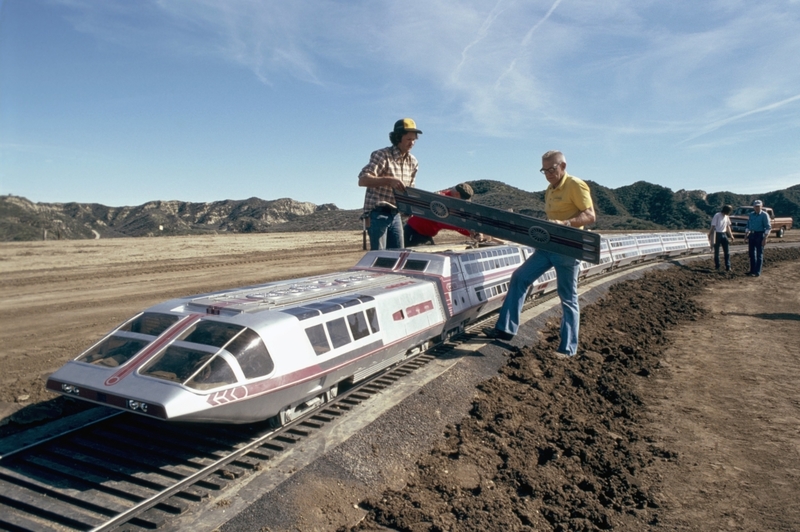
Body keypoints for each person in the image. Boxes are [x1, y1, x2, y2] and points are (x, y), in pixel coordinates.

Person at [483, 150, 596, 357]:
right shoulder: (549, 190)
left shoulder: (576, 185)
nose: (548, 174)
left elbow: (590, 216)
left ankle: (567, 349)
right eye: (544, 170)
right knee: (519, 277)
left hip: (567, 249)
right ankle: (505, 330)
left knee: (568, 296)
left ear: (563, 166)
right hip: (547, 247)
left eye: (552, 169)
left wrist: (566, 223)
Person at [358, 118, 422, 250]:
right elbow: (363, 180)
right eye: (408, 139)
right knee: (381, 257)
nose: (412, 143)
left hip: (396, 214)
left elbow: (410, 189)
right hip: (378, 213)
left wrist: (410, 207)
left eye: (414, 139)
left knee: (398, 256)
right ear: (398, 137)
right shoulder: (382, 155)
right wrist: (388, 180)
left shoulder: (413, 162)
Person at [403, 183, 483, 246]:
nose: (462, 205)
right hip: (414, 233)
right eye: (463, 201)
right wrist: (469, 231)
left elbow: (457, 221)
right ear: (457, 194)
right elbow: (444, 222)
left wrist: (472, 231)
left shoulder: (451, 201)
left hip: (425, 234)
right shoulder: (442, 200)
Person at [744, 199, 771, 277]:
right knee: (751, 254)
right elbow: (748, 225)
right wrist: (746, 235)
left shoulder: (764, 215)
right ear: (753, 207)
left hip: (760, 235)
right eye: (756, 206)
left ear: (761, 206)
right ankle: (752, 270)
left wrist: (765, 238)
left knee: (759, 254)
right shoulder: (751, 214)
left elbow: (768, 227)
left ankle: (757, 272)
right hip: (752, 235)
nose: (757, 208)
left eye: (758, 206)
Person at [710, 204, 734, 271]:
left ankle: (728, 266)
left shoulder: (727, 217)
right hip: (717, 234)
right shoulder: (717, 215)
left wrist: (731, 235)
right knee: (717, 252)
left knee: (727, 252)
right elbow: (713, 226)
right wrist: (710, 235)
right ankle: (717, 267)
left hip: (724, 234)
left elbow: (728, 226)